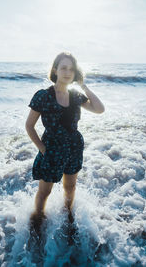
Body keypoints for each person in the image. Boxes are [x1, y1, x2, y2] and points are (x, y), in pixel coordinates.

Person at [25, 52, 105, 229]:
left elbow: (100, 109)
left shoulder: (76, 96)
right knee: (45, 191)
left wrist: (84, 87)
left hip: (74, 146)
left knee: (70, 187)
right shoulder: (43, 96)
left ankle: (67, 214)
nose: (67, 72)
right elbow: (29, 126)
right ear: (55, 70)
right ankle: (37, 219)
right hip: (51, 148)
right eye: (63, 68)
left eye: (71, 69)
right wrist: (42, 149)